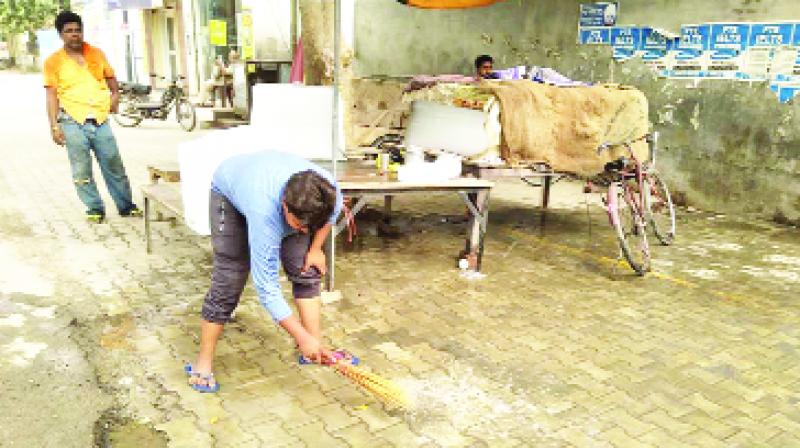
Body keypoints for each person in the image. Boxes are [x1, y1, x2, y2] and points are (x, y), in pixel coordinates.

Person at [187, 151, 352, 393]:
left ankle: (315, 350)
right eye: (299, 226)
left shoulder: (328, 192)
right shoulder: (265, 212)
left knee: (306, 267)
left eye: (309, 227)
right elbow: (267, 288)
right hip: (231, 191)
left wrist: (316, 248)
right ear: (285, 206)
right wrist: (299, 335)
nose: (304, 231)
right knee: (230, 277)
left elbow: (332, 214)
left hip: (268, 181)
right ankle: (203, 361)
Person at [44, 11, 142, 223]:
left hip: (100, 119)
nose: (74, 35)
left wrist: (115, 96)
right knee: (81, 169)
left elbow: (112, 80)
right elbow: (51, 95)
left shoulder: (96, 53)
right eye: (69, 31)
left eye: (77, 30)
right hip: (72, 121)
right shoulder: (53, 62)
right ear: (61, 35)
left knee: (114, 164)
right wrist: (54, 126)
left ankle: (126, 206)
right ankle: (94, 208)